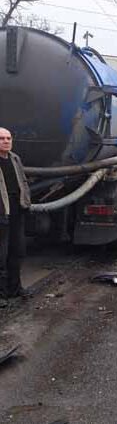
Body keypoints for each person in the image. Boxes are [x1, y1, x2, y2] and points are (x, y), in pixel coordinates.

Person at [0, 128, 31, 302]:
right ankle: (1, 294)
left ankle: (15, 288)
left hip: (16, 212)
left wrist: (26, 203)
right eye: (2, 138)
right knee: (1, 255)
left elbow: (23, 182)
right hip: (1, 213)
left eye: (8, 138)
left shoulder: (14, 159)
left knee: (18, 251)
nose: (6, 141)